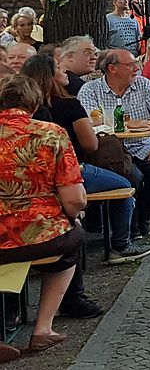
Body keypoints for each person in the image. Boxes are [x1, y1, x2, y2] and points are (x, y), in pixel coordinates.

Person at [21, 55, 150, 325]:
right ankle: (120, 244)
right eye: (58, 68)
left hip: (28, 196)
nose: (64, 71)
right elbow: (90, 146)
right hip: (67, 176)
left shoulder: (26, 114)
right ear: (49, 75)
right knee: (124, 185)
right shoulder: (68, 107)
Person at [0, 75, 87, 360]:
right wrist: (73, 216)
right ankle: (43, 328)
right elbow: (74, 199)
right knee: (73, 239)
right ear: (35, 103)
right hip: (41, 234)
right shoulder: (51, 133)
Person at [77, 50, 150, 239]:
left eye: (135, 63)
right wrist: (129, 123)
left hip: (142, 145)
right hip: (111, 152)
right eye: (130, 65)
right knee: (134, 177)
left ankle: (143, 217)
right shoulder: (90, 90)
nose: (136, 68)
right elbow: (91, 122)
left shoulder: (144, 85)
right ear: (112, 68)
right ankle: (127, 228)